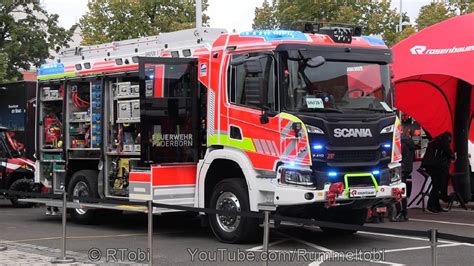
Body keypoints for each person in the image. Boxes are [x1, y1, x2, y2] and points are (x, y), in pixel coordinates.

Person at [421, 131, 454, 213]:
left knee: (436, 185)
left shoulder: (434, 141)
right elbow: (446, 149)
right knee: (438, 185)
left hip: (430, 166)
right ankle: (431, 205)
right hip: (437, 166)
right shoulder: (444, 140)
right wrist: (452, 155)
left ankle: (436, 205)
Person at [393, 127, 417, 221]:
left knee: (397, 191)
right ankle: (404, 212)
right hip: (407, 168)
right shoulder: (410, 144)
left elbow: (396, 157)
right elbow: (413, 158)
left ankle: (400, 212)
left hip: (399, 168)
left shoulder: (399, 144)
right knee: (402, 190)